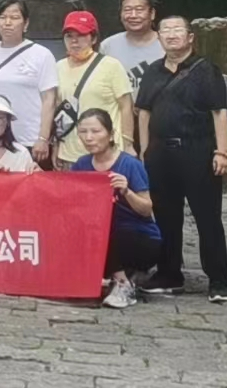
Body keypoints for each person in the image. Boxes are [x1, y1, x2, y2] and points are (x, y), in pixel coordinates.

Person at [135, 15, 227, 303]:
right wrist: (145, 150)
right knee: (165, 216)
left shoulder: (206, 70)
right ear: (159, 37)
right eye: (165, 30)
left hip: (198, 151)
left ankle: (219, 280)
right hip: (160, 153)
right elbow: (144, 111)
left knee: (207, 217)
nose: (171, 34)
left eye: (177, 29)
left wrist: (222, 151)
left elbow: (219, 112)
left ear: (190, 37)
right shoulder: (153, 71)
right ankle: (169, 274)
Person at [70, 108, 159, 309]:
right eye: (83, 132)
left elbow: (147, 209)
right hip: (100, 233)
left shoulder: (130, 165)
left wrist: (127, 192)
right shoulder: (82, 165)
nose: (89, 137)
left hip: (138, 237)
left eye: (95, 131)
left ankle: (122, 283)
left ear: (110, 134)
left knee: (105, 231)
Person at [0, 0, 59, 165]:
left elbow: (49, 99)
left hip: (30, 139)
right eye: (2, 17)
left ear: (25, 24)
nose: (8, 23)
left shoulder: (41, 55)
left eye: (14, 18)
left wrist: (43, 138)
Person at [54, 10, 135, 166]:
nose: (74, 41)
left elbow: (126, 106)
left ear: (94, 38)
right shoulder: (58, 67)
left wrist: (128, 144)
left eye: (81, 35)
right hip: (69, 155)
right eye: (69, 36)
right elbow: (57, 109)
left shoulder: (111, 66)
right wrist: (56, 146)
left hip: (106, 155)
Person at [102, 0, 165, 93]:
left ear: (152, 14)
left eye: (139, 10)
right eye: (127, 10)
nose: (133, 15)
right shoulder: (107, 46)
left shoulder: (166, 45)